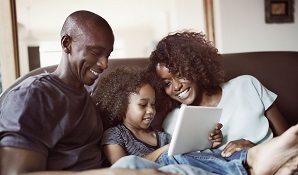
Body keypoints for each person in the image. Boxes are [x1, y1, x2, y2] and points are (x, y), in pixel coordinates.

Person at [0, 10, 181, 175]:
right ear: (66, 43)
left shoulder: (89, 97)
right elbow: (16, 172)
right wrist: (115, 173)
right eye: (96, 52)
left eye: (107, 55)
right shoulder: (33, 95)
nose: (104, 64)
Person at [146, 30, 289, 157]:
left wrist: (254, 150)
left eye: (180, 74)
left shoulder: (247, 85)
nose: (176, 86)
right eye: (167, 84)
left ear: (195, 67)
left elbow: (290, 141)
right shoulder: (172, 122)